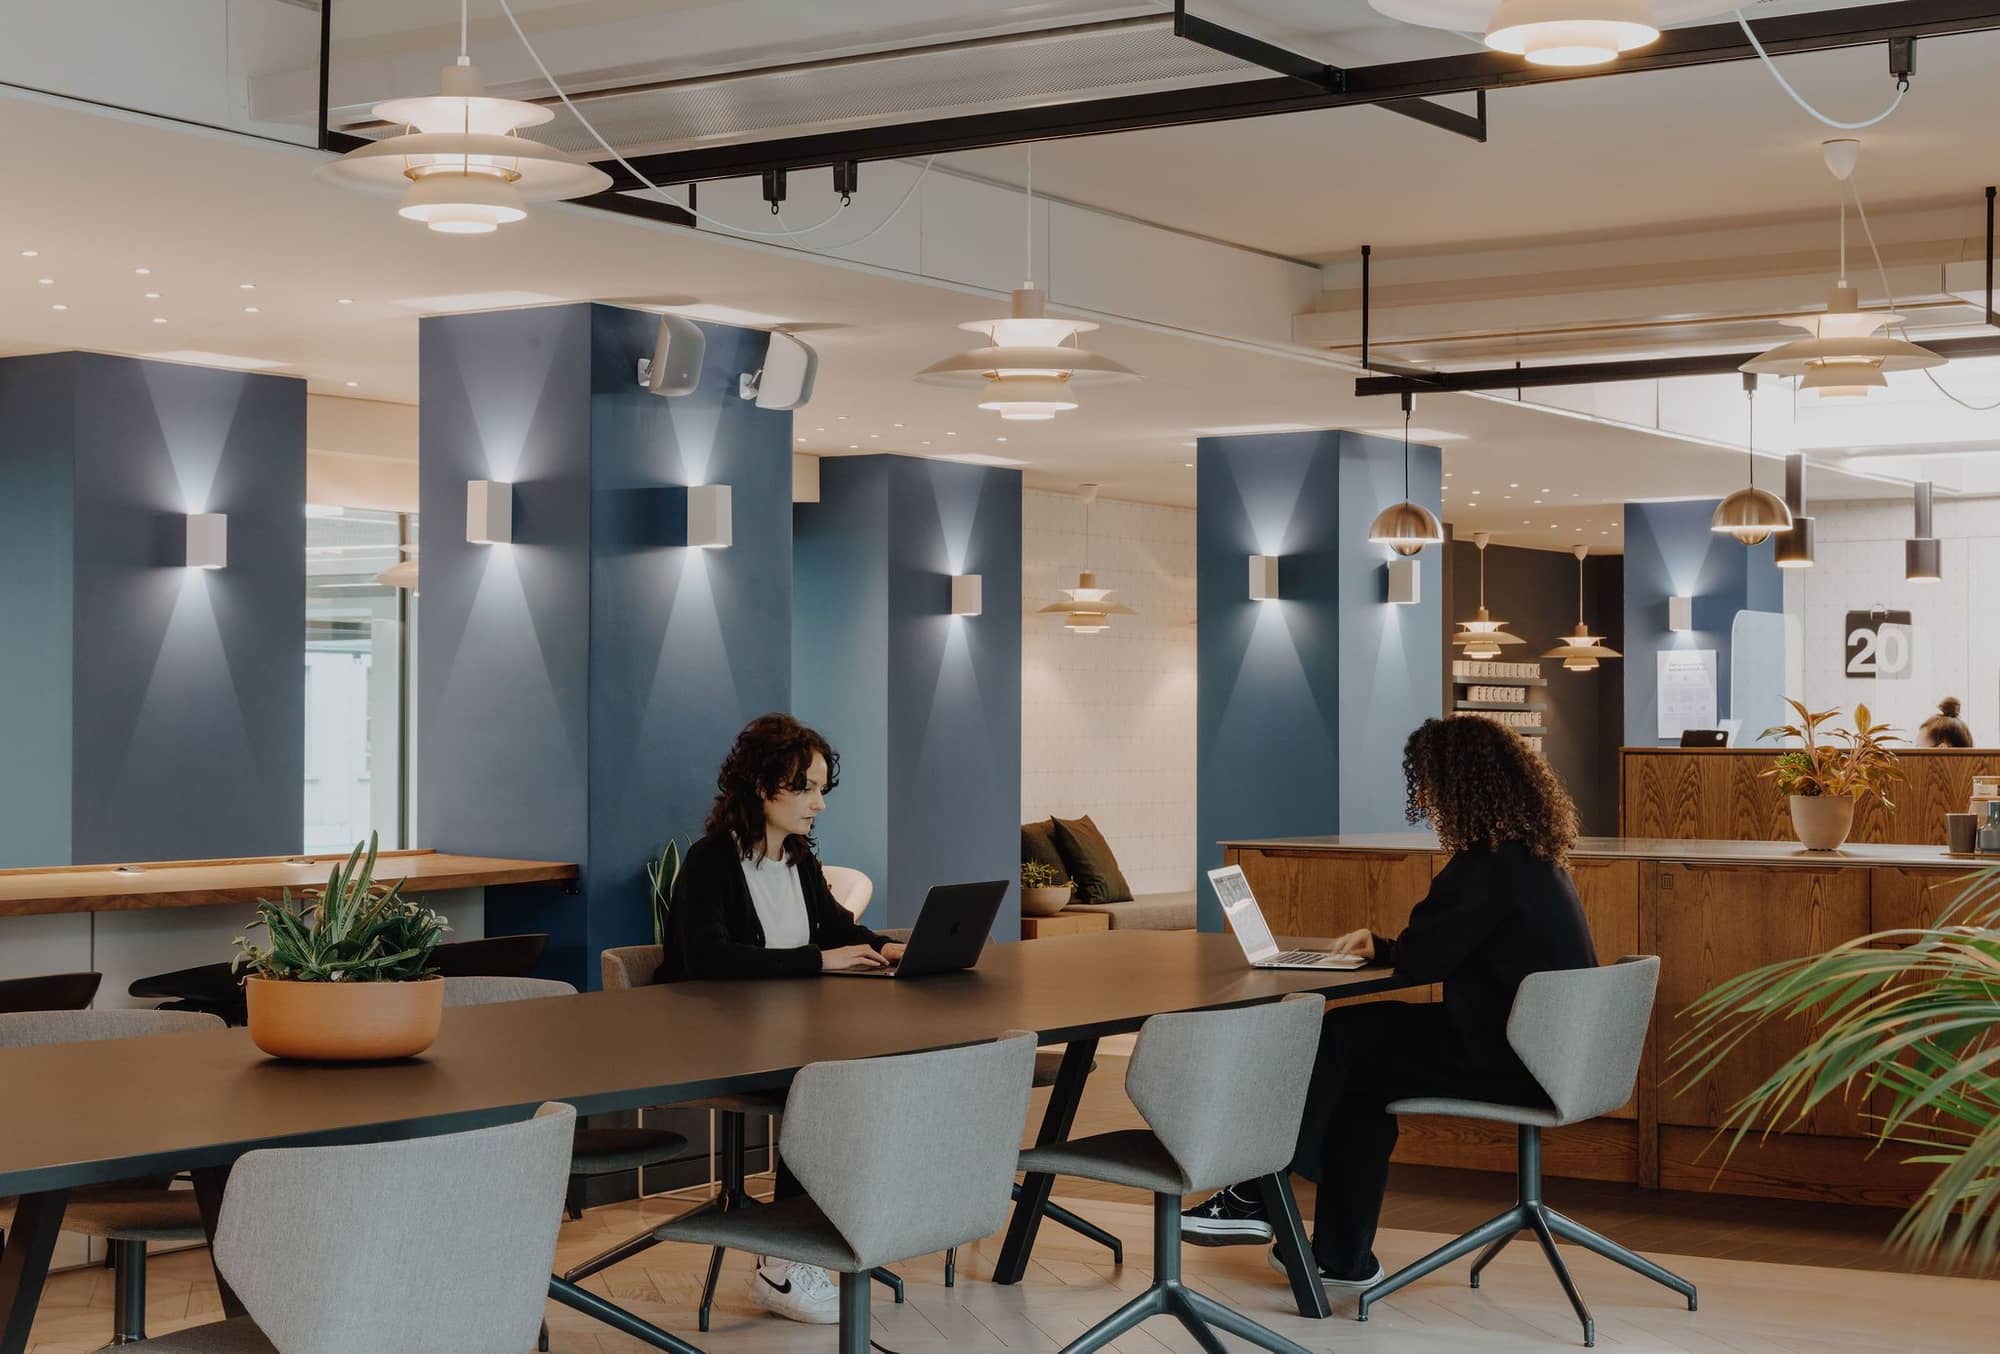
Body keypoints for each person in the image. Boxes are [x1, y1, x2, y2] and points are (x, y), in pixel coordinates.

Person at [1181, 715, 1598, 1291]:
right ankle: (1338, 1256)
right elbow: (1445, 947)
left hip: (1511, 1057)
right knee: (1359, 1076)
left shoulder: (1485, 866)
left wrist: (1392, 950)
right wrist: (1381, 946)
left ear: (1457, 787)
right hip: (1549, 1051)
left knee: (1339, 1039)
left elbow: (1426, 959)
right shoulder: (1532, 859)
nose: (1425, 801)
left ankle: (1255, 1191)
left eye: (1427, 786)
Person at [659, 712, 905, 1324]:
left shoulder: (797, 858)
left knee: (852, 1075)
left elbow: (839, 930)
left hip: (789, 1039)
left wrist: (888, 946)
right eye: (806, 788)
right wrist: (819, 961)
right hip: (717, 1042)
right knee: (827, 1084)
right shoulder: (711, 860)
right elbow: (709, 958)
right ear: (763, 786)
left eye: (823, 788)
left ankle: (818, 1237)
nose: (819, 803)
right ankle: (781, 1268)